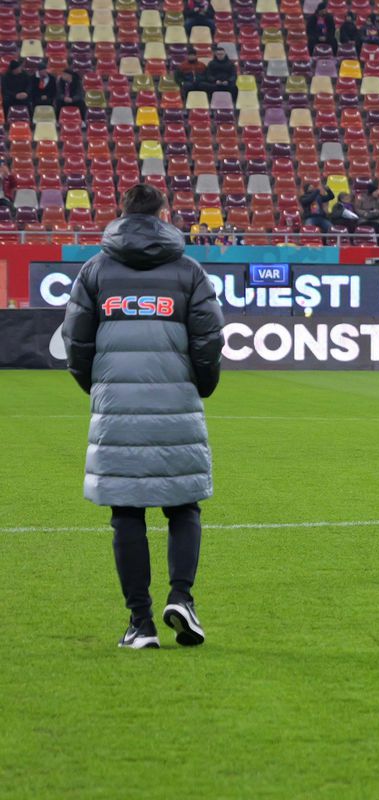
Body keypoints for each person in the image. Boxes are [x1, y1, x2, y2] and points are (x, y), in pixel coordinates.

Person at [61, 184, 224, 650]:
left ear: (121, 216)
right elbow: (209, 341)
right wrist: (201, 386)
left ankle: (141, 623)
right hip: (177, 402)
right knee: (183, 504)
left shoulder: (94, 272)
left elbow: (76, 343)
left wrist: (100, 388)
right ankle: (182, 598)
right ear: (165, 215)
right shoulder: (189, 271)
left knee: (126, 511)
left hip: (116, 407)